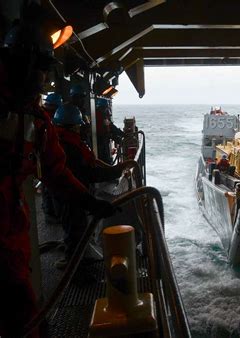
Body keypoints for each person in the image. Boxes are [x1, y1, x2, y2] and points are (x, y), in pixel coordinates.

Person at [0, 16, 114, 337]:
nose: (43, 78)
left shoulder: (37, 121)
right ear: (19, 64)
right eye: (39, 69)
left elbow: (57, 172)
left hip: (13, 231)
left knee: (25, 312)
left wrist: (90, 201)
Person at [52, 103, 135, 268]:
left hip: (72, 192)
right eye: (79, 125)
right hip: (71, 195)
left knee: (77, 227)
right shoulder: (68, 148)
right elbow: (87, 173)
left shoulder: (64, 142)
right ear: (74, 125)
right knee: (74, 229)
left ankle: (80, 258)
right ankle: (76, 270)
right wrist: (114, 172)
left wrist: (112, 170)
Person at [41, 93, 63, 220]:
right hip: (46, 157)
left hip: (46, 156)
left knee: (48, 186)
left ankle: (51, 211)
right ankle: (50, 213)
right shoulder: (45, 118)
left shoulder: (45, 116)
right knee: (49, 186)